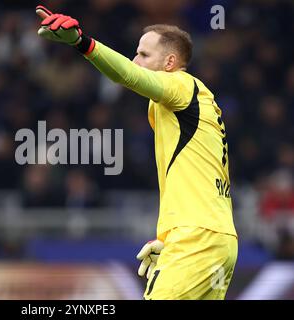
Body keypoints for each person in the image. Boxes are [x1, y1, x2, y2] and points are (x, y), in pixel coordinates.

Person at [35, 5, 238, 300]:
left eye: (144, 54)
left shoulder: (181, 85)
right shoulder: (191, 103)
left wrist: (82, 43)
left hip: (196, 239)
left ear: (170, 62)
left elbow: (128, 75)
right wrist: (168, 238)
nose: (135, 60)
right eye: (136, 53)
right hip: (217, 240)